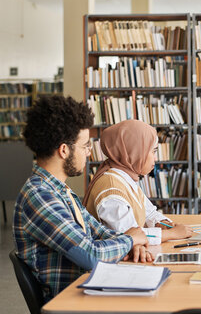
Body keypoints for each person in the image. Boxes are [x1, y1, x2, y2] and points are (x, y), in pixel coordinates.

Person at [13, 96, 152, 302]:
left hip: (88, 289)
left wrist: (132, 243)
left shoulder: (61, 191)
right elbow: (90, 256)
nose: (89, 153)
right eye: (85, 146)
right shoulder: (40, 196)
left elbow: (99, 232)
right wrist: (130, 239)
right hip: (71, 301)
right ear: (64, 150)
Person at [83, 120, 193, 244]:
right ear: (134, 152)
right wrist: (171, 234)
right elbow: (128, 236)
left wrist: (162, 223)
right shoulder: (111, 191)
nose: (156, 158)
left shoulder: (125, 177)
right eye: (153, 151)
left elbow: (149, 212)